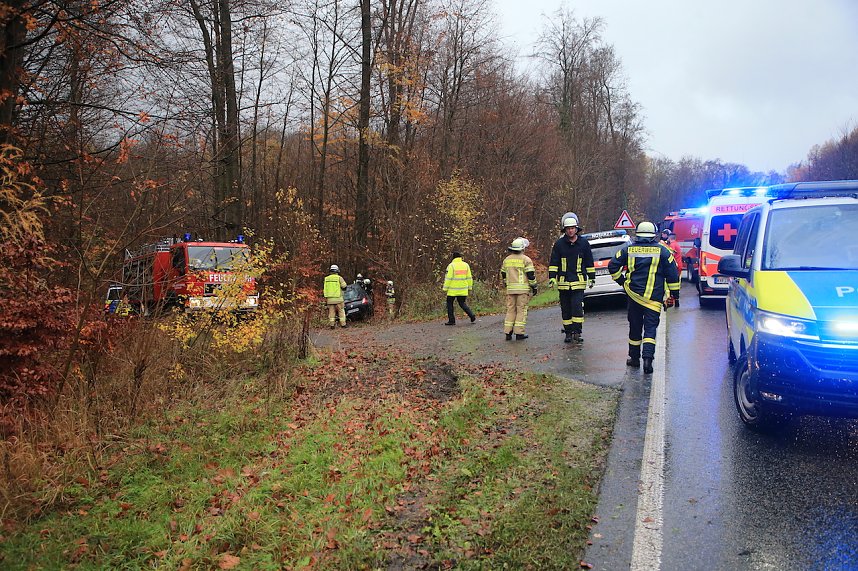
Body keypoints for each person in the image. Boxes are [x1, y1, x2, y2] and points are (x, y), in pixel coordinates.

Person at [608, 221, 680, 374]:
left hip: (633, 296)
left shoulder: (628, 250)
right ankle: (648, 361)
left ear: (637, 234)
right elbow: (672, 274)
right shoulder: (663, 251)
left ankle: (634, 359)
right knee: (650, 329)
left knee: (635, 328)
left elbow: (612, 265)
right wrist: (675, 295)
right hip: (653, 298)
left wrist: (622, 281)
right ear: (654, 235)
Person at [548, 213, 595, 343]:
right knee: (566, 309)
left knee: (577, 308)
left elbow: (589, 261)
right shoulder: (559, 244)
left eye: (572, 228)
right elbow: (554, 262)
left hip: (578, 282)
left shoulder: (584, 243)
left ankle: (577, 332)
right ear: (565, 230)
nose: (570, 231)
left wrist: (592, 277)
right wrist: (552, 277)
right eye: (568, 229)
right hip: (563, 283)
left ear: (576, 229)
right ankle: (568, 333)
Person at [500, 237, 537, 340]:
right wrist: (534, 286)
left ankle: (508, 332)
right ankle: (519, 333)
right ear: (522, 248)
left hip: (510, 290)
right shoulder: (526, 260)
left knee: (510, 310)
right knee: (521, 311)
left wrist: (506, 283)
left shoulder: (506, 260)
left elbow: (503, 273)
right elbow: (530, 275)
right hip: (522, 290)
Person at [443, 249, 476, 325]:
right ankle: (471, 315)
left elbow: (448, 278)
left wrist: (445, 288)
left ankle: (452, 320)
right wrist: (470, 287)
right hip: (463, 289)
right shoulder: (466, 265)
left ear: (453, 257)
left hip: (452, 290)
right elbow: (469, 277)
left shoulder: (451, 266)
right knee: (462, 303)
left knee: (449, 304)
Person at [323, 264, 348, 329]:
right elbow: (344, 286)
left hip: (330, 299)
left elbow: (325, 289)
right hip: (338, 299)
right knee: (341, 311)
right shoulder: (339, 278)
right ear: (337, 271)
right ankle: (343, 325)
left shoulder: (326, 279)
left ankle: (332, 325)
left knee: (331, 313)